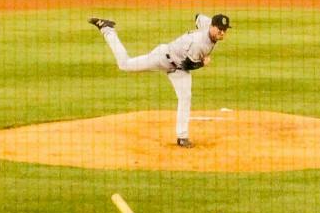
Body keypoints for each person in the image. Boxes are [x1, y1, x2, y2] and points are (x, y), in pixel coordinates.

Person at [89, 11, 230, 147]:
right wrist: (202, 63)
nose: (222, 32)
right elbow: (188, 65)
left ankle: (182, 137)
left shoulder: (207, 24)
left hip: (178, 70)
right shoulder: (199, 44)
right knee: (125, 65)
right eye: (219, 29)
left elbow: (198, 17)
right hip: (163, 58)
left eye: (224, 30)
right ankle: (107, 29)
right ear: (212, 26)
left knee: (185, 97)